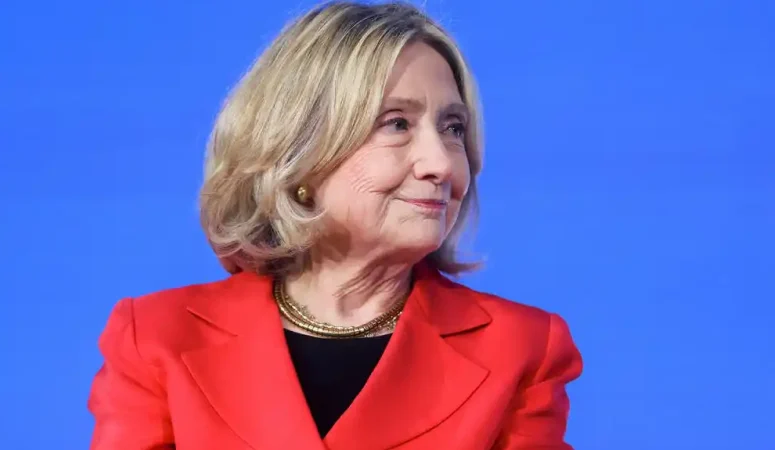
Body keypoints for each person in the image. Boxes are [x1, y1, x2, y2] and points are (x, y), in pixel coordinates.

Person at [87, 2, 583, 449]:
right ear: (298, 153)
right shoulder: (157, 338)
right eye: (396, 124)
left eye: (453, 128)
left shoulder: (522, 349)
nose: (442, 164)